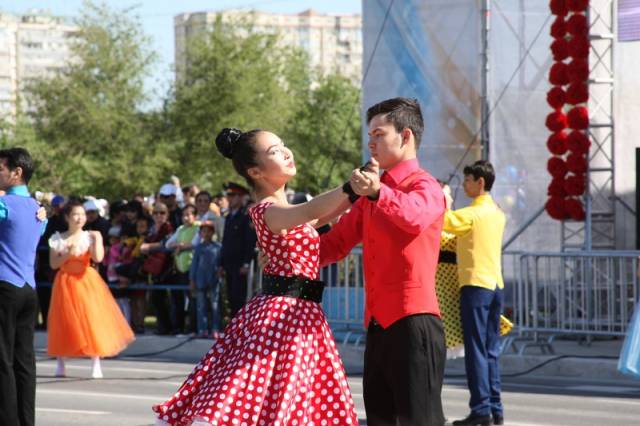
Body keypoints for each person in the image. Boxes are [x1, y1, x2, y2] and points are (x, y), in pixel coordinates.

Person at [152, 127, 359, 425]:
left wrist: (359, 191)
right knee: (264, 392)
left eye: (283, 145)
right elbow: (313, 209)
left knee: (289, 394)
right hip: (283, 314)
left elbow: (322, 213)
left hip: (301, 312)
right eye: (274, 151)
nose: (286, 152)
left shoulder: (287, 212)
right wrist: (351, 187)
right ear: (255, 172)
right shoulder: (266, 210)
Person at [319, 97, 447, 426]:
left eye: (379, 134)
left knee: (421, 421)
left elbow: (415, 217)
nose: (371, 143)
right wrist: (291, 248)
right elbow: (336, 243)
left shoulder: (425, 185)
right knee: (379, 419)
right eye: (370, 136)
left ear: (405, 136)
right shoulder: (372, 193)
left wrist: (378, 193)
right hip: (377, 324)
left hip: (413, 321)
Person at [444, 161, 507, 426]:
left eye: (467, 180)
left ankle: (481, 411)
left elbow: (444, 221)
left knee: (476, 350)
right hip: (496, 285)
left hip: (475, 286)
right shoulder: (497, 212)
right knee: (490, 350)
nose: (464, 185)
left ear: (480, 182)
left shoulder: (473, 214)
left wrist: (443, 198)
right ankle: (495, 409)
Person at [47, 200, 135, 379]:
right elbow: (54, 264)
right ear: (67, 217)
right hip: (65, 281)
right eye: (75, 214)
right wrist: (68, 254)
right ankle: (61, 362)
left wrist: (98, 240)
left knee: (91, 319)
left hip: (86, 280)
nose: (79, 218)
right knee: (63, 319)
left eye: (82, 214)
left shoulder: (89, 236)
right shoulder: (58, 238)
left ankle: (96, 360)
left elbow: (98, 258)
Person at [0, 148, 45, 426]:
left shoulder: (4, 206)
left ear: (17, 172)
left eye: (0, 169)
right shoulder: (39, 210)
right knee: (25, 361)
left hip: (4, 287)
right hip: (29, 289)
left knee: (2, 360)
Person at [219, 181, 257, 315]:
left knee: (239, 298)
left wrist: (246, 263)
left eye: (233, 195)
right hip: (229, 264)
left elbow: (249, 242)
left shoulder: (245, 217)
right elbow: (225, 242)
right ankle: (234, 325)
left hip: (239, 265)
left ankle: (241, 325)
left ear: (241, 197)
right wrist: (221, 264)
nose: (229, 198)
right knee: (231, 298)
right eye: (228, 195)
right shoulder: (229, 217)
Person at [165, 204, 200, 334]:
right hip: (180, 269)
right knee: (178, 299)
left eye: (188, 215)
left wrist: (180, 246)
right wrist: (180, 245)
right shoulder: (180, 229)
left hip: (192, 268)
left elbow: (195, 243)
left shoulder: (198, 227)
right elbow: (168, 244)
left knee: (193, 299)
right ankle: (179, 327)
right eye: (183, 215)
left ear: (194, 216)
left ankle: (193, 328)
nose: (185, 218)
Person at [189, 220, 222, 338]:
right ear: (200, 233)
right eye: (204, 231)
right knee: (201, 306)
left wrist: (220, 270)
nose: (206, 233)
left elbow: (221, 262)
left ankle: (215, 328)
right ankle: (202, 329)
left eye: (209, 231)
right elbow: (194, 264)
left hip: (214, 279)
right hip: (200, 279)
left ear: (213, 232)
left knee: (215, 305)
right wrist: (192, 279)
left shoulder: (218, 247)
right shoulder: (198, 248)